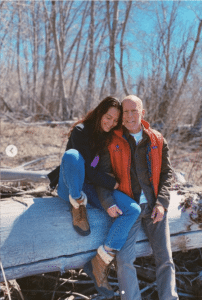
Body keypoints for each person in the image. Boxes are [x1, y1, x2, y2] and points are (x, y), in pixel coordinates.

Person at [48, 96, 141, 299]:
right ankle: (77, 206)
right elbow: (87, 172)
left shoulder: (107, 139)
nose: (110, 123)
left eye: (115, 121)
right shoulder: (80, 131)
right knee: (73, 156)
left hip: (91, 189)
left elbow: (99, 174)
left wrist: (108, 198)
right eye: (108, 117)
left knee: (133, 210)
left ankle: (100, 261)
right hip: (69, 186)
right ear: (100, 113)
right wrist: (112, 183)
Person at [95, 95, 179, 299]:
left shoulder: (157, 140)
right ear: (121, 115)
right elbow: (102, 176)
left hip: (154, 208)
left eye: (135, 111)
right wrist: (107, 201)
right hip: (128, 210)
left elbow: (167, 174)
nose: (130, 115)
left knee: (165, 259)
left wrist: (162, 203)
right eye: (126, 111)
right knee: (124, 261)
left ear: (142, 113)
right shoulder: (111, 141)